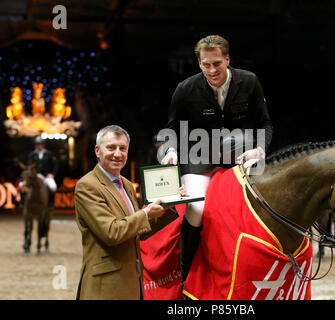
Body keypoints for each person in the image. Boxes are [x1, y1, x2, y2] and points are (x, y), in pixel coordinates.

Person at [161, 35, 273, 286]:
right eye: (205, 65)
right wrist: (170, 150)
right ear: (199, 63)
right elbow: (171, 129)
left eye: (217, 64)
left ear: (227, 59)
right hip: (198, 159)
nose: (212, 70)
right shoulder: (185, 88)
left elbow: (265, 123)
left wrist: (259, 150)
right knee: (197, 209)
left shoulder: (250, 81)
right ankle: (185, 273)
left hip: (241, 158)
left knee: (260, 208)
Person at [74, 125, 186, 300]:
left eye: (122, 148)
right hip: (105, 287)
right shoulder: (87, 185)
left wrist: (168, 204)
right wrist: (147, 213)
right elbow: (112, 233)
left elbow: (137, 231)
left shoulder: (126, 184)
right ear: (97, 151)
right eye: (111, 148)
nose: (118, 154)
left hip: (132, 282)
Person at [27, 136, 58, 210]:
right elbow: (29, 166)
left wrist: (52, 174)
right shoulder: (32, 155)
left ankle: (51, 204)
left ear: (43, 145)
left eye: (40, 144)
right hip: (35, 176)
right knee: (22, 185)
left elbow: (55, 165)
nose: (38, 146)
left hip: (46, 176)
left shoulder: (49, 154)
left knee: (53, 187)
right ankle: (23, 203)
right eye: (37, 144)